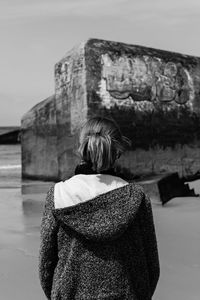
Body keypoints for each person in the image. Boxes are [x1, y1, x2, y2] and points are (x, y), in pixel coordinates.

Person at [39, 116, 160, 300]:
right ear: (117, 152)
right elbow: (152, 266)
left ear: (81, 149)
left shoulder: (58, 195)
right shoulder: (136, 197)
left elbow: (46, 266)